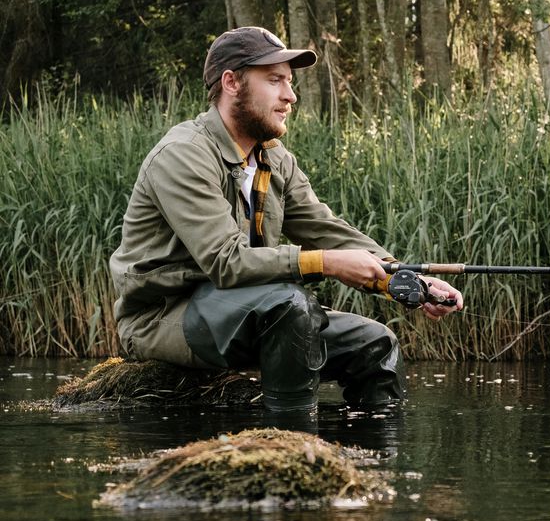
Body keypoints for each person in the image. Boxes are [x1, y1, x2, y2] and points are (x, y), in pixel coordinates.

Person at [109, 27, 463, 412]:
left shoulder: (275, 159)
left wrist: (404, 279)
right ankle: (291, 444)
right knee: (291, 305)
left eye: (290, 82)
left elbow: (326, 229)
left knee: (376, 344)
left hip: (252, 311)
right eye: (275, 80)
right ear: (231, 82)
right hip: (163, 318)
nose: (290, 96)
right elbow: (226, 263)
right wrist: (327, 264)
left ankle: (370, 467)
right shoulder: (182, 155)